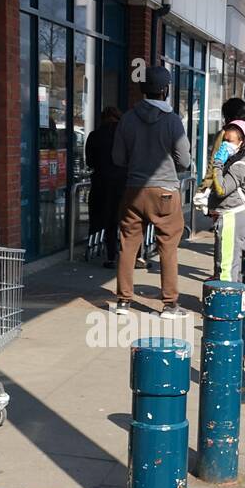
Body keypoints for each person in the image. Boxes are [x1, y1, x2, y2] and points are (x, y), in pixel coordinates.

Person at [112, 65, 191, 317]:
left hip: (134, 189)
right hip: (166, 191)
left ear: (142, 88)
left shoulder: (127, 118)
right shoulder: (172, 120)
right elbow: (185, 161)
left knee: (128, 245)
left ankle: (124, 301)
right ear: (165, 90)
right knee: (167, 246)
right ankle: (169, 304)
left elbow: (117, 158)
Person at [205, 120, 245, 283]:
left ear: (242, 143)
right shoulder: (240, 163)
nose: (225, 145)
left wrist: (217, 164)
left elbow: (222, 189)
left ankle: (226, 306)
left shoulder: (239, 166)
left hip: (232, 218)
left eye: (230, 141)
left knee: (227, 269)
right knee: (234, 264)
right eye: (224, 140)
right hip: (234, 217)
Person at [84, 106, 124, 266]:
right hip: (122, 183)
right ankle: (133, 256)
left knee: (101, 218)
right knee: (125, 220)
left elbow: (90, 162)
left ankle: (106, 253)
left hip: (100, 182)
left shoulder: (94, 136)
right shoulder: (123, 136)